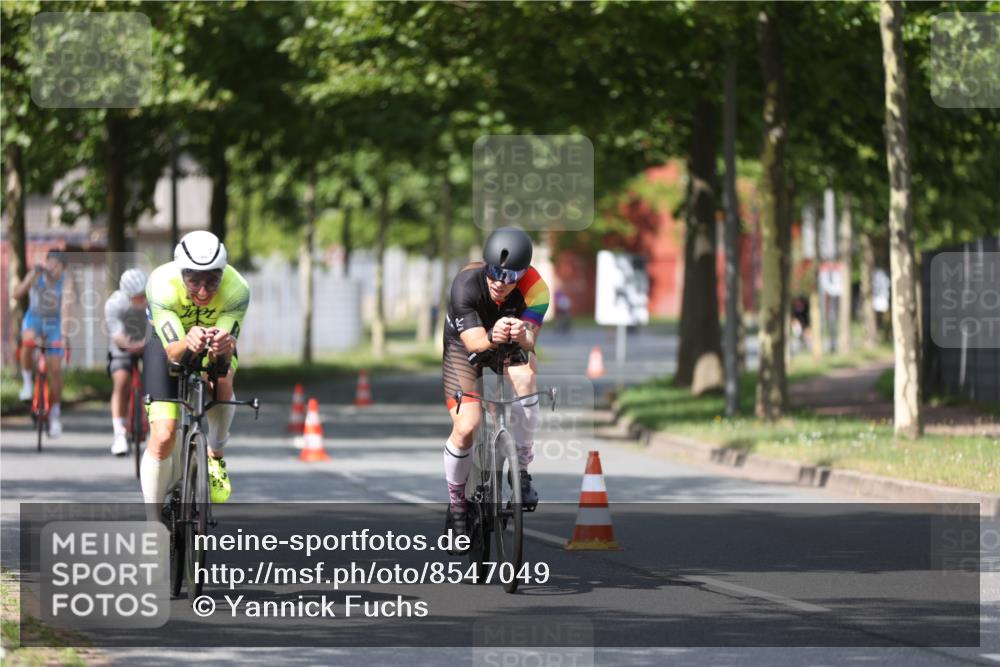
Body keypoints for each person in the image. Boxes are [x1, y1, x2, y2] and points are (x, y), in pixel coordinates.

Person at [441, 226, 549, 537]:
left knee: (526, 377)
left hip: (509, 341)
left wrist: (522, 333)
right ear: (485, 264)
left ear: (524, 274)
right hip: (466, 344)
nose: (500, 282)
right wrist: (492, 334)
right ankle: (457, 505)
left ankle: (522, 471)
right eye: (494, 272)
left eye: (511, 276)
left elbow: (531, 341)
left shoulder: (537, 289)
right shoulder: (466, 283)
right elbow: (475, 344)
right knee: (467, 426)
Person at [141, 230, 250, 508]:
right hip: (169, 343)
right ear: (181, 274)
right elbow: (172, 352)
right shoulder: (161, 284)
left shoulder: (237, 289)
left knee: (223, 379)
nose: (203, 291)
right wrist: (187, 341)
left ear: (223, 274)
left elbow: (223, 353)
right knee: (163, 435)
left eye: (212, 281)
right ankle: (153, 523)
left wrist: (221, 347)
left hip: (213, 341)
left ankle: (216, 455)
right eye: (194, 281)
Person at [14, 249, 75, 437]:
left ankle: (55, 415)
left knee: (55, 370)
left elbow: (66, 309)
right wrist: (30, 278)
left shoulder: (66, 282)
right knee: (27, 342)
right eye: (51, 263)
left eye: (57, 265)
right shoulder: (37, 275)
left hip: (54, 323)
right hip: (35, 319)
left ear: (63, 268)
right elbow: (17, 294)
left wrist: (64, 336)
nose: (53, 268)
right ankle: (27, 384)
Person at [105, 268, 151, 456]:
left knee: (157, 377)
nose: (142, 300)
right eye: (137, 297)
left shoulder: (155, 300)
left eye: (143, 295)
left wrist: (146, 344)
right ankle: (119, 433)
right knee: (122, 379)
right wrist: (132, 346)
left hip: (148, 340)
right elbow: (117, 336)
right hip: (124, 342)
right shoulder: (114, 304)